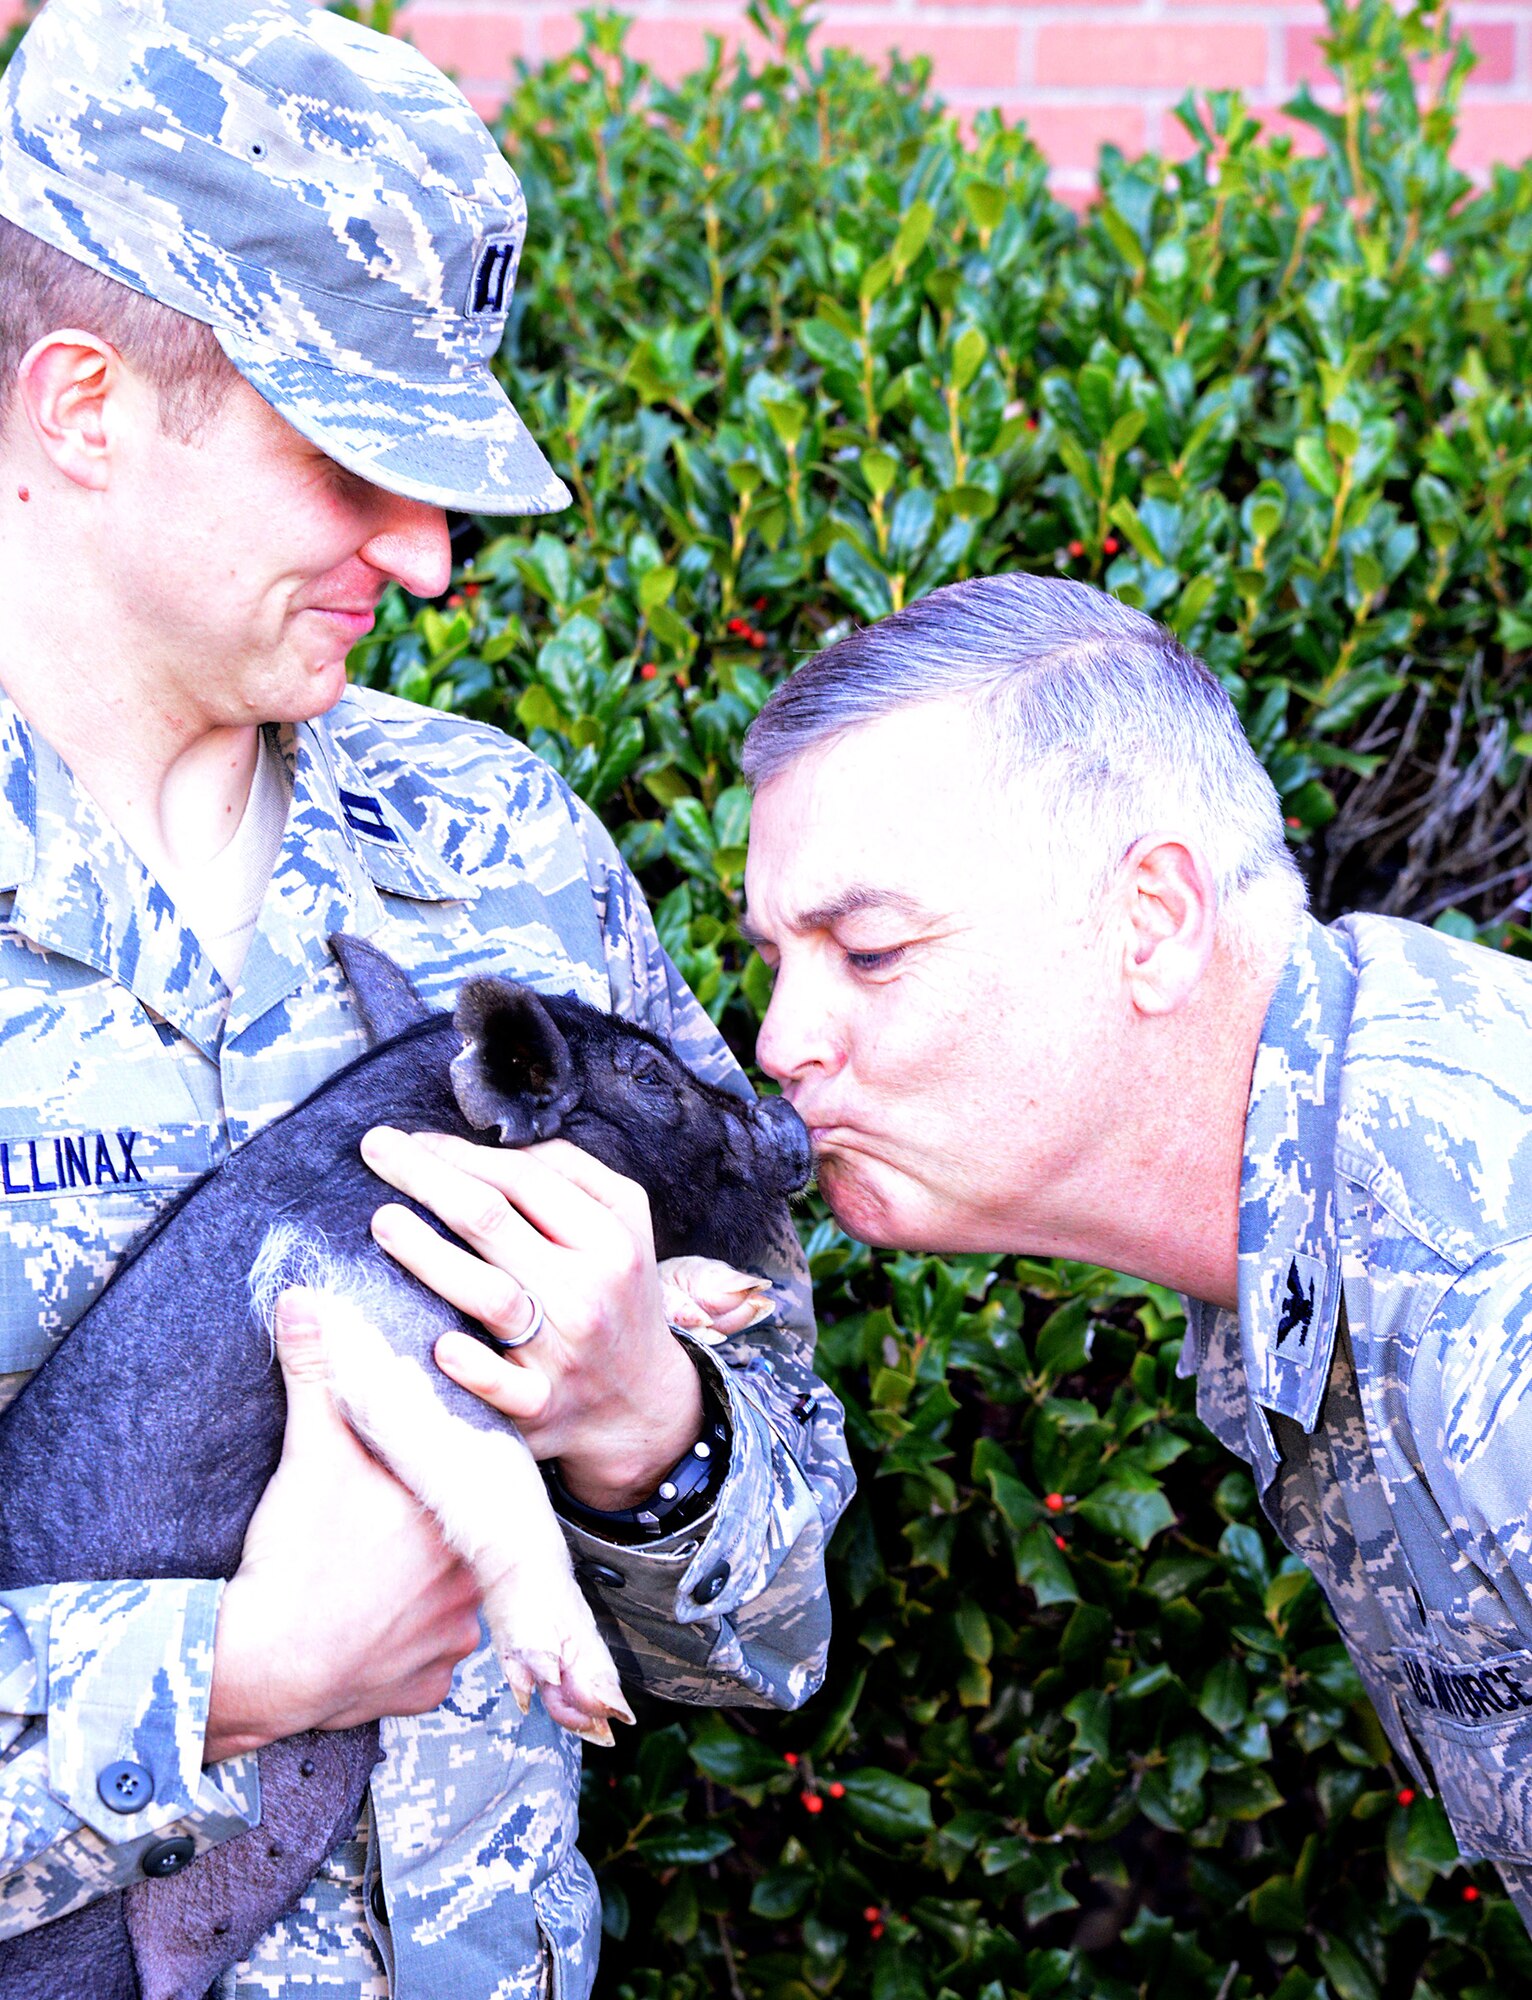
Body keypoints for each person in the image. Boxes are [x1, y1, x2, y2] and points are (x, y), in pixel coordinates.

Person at [0, 1, 850, 1994]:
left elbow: (782, 1604)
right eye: (356, 458)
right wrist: (220, 1673)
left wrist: (654, 1430)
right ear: (83, 407)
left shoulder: (494, 848)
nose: (434, 558)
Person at [739, 570, 1532, 1923]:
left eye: (866, 950)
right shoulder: (1324, 1212)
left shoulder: (1480, 1273)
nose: (778, 1041)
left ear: (1151, 923)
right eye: (775, 958)